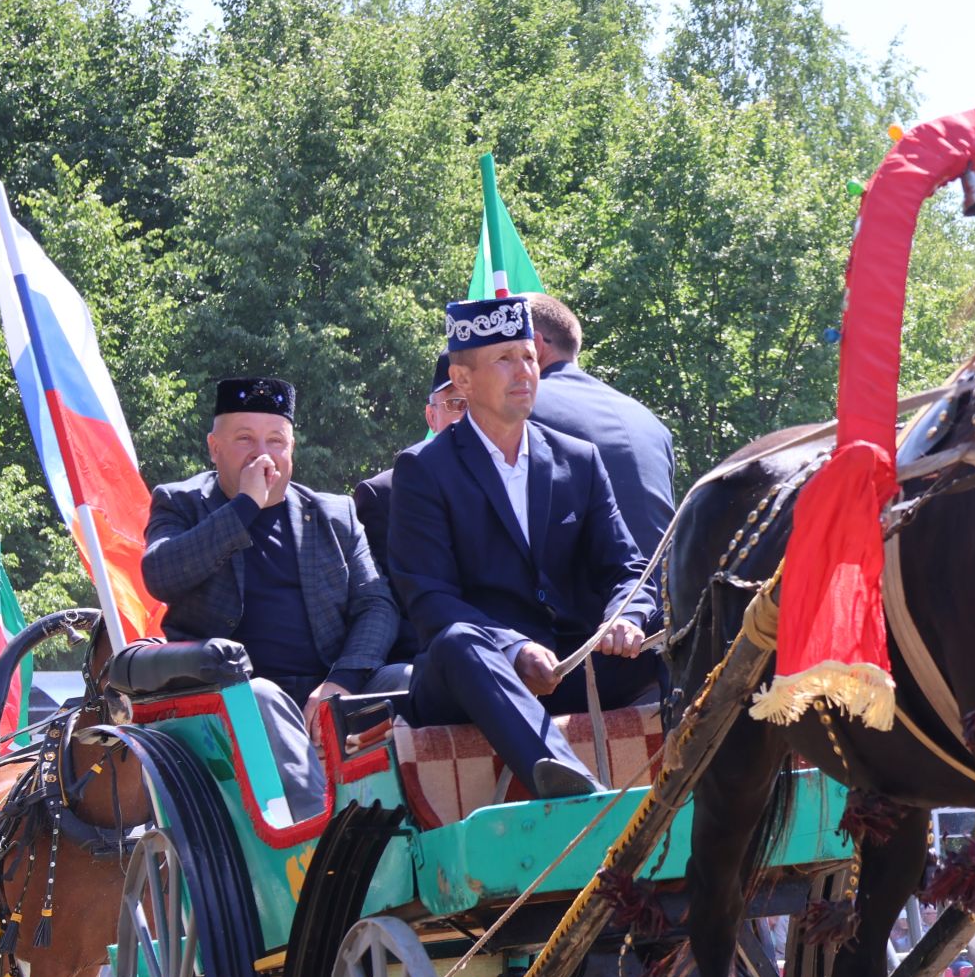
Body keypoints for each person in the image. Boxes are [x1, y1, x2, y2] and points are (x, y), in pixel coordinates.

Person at [389, 296, 656, 798]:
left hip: (570, 665)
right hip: (474, 677)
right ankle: (569, 785)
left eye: (530, 357)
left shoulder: (579, 459)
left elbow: (628, 568)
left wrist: (626, 616)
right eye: (505, 359)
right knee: (458, 639)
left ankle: (727, 771)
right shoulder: (424, 470)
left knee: (684, 618)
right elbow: (428, 600)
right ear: (462, 380)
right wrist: (512, 647)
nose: (524, 372)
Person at [142, 375, 405, 712]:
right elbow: (160, 576)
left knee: (408, 680)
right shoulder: (181, 503)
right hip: (228, 693)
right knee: (262, 695)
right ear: (214, 447)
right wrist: (246, 505)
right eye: (244, 439)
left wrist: (342, 681)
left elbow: (377, 605)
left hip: (327, 684)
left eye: (276, 441)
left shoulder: (335, 514)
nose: (262, 454)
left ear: (292, 448)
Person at [525, 294, 676, 558]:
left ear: (535, 346)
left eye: (503, 351)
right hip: (666, 594)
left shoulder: (520, 407)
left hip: (595, 594)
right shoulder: (650, 421)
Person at [355, 354, 469, 663]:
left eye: (481, 403)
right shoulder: (382, 496)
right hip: (435, 665)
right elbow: (394, 612)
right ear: (432, 418)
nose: (472, 418)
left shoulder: (525, 483)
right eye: (457, 404)